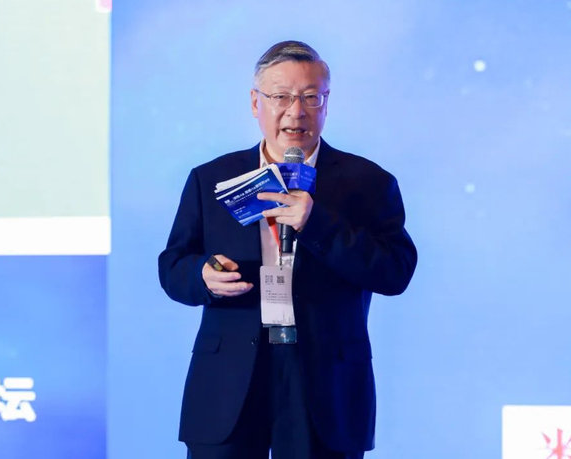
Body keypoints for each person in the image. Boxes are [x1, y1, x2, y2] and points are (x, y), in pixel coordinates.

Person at [158, 40, 417, 459]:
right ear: (255, 103)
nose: (296, 112)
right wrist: (202, 276)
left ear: (326, 103)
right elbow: (173, 266)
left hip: (326, 381)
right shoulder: (211, 178)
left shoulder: (369, 182)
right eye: (281, 97)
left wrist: (318, 225)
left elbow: (396, 271)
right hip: (229, 378)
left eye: (311, 97)